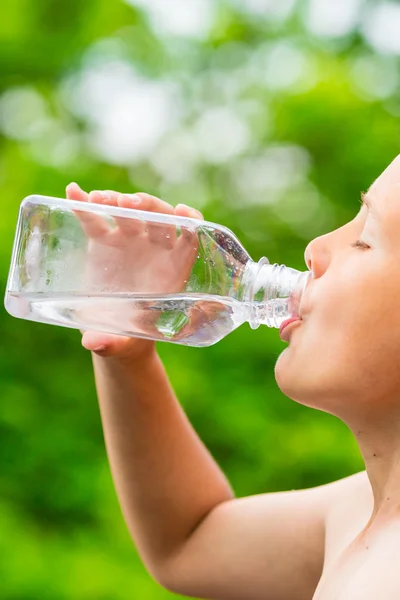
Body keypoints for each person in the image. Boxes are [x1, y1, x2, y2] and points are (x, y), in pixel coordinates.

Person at [66, 154, 400, 599]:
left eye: (365, 240)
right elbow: (188, 541)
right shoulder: (361, 514)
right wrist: (129, 354)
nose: (315, 248)